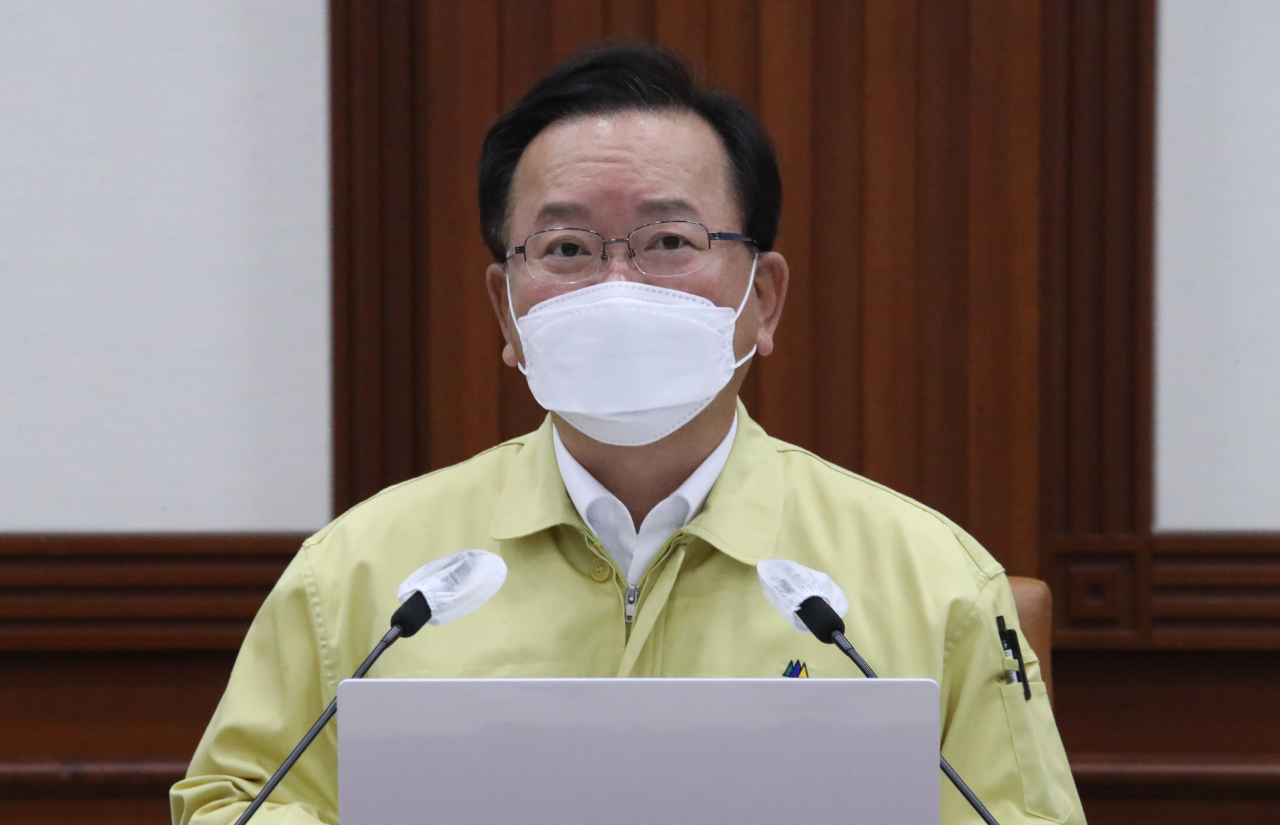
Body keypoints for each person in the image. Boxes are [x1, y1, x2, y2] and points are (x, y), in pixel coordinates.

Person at [172, 44, 1085, 825]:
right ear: (507, 305)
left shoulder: (929, 581)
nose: (617, 287)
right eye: (567, 249)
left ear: (762, 299)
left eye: (667, 242)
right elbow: (230, 800)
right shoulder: (365, 575)